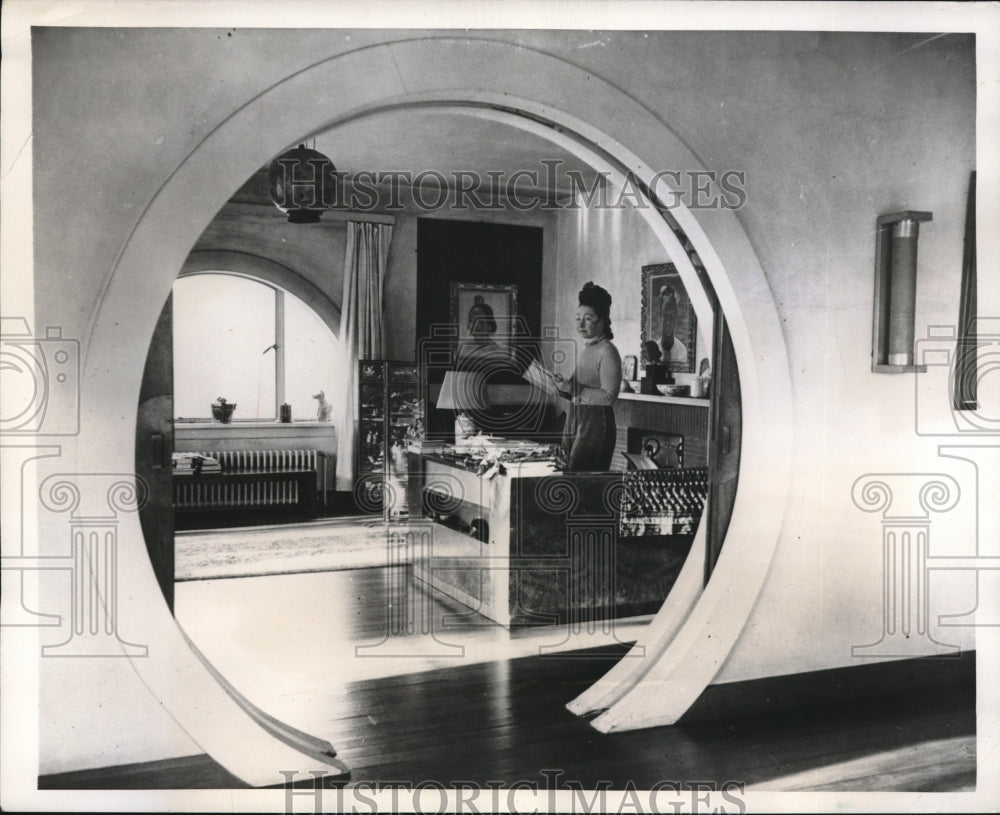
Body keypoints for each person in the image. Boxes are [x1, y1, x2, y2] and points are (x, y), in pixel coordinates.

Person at [552, 281, 622, 471]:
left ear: (602, 320)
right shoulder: (588, 348)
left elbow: (609, 397)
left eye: (588, 318)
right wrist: (562, 385)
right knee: (567, 474)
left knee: (580, 479)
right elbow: (577, 389)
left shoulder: (608, 352)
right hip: (576, 418)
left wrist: (572, 389)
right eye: (577, 318)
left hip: (596, 424)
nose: (580, 324)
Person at [658, 284, 688, 366]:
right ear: (660, 316)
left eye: (671, 315)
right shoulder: (655, 347)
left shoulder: (682, 350)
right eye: (665, 315)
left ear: (676, 317)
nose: (668, 322)